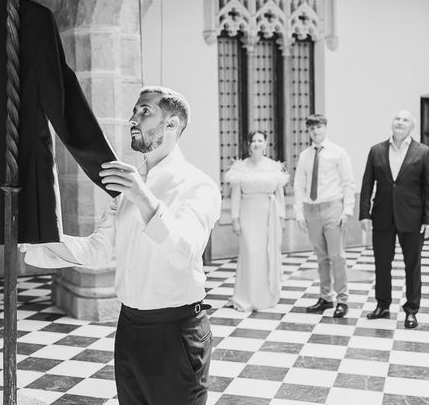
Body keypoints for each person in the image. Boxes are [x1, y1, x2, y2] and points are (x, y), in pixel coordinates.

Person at [21, 86, 221, 405]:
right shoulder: (128, 187)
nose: (133, 118)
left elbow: (185, 252)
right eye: (134, 111)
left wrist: (143, 197)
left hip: (175, 332)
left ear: (172, 124)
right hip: (129, 328)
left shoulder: (197, 185)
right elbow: (97, 249)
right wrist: (35, 241)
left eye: (145, 111)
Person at [360, 110, 429, 329]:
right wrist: (365, 213)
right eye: (397, 119)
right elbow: (367, 184)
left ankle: (412, 309)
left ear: (412, 126)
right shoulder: (376, 151)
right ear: (391, 123)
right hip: (382, 215)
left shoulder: (423, 152)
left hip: (412, 217)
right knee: (381, 263)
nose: (400, 122)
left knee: (412, 265)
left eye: (405, 120)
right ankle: (382, 305)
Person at [294, 114, 355, 318]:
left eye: (319, 127)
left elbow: (348, 182)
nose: (315, 132)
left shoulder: (338, 153)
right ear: (308, 131)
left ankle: (342, 300)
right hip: (312, 210)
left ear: (325, 127)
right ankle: (325, 297)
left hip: (332, 208)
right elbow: (299, 185)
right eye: (311, 129)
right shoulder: (305, 155)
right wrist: (299, 213)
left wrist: (347, 210)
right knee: (322, 258)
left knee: (337, 256)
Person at [225, 131, 288, 311]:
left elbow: (279, 194)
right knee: (251, 253)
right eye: (253, 140)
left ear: (266, 144)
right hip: (248, 215)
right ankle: (248, 296)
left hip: (270, 215)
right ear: (248, 144)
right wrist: (235, 219)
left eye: (260, 140)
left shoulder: (273, 167)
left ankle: (265, 297)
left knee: (267, 254)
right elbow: (236, 196)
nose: (256, 143)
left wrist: (282, 218)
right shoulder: (240, 167)